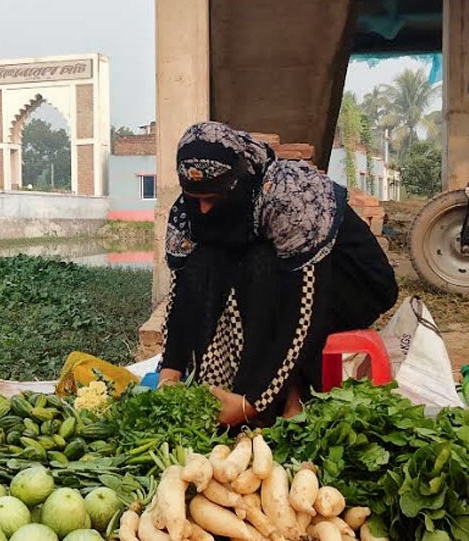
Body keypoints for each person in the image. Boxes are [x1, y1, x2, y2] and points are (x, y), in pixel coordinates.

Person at [158, 121, 399, 427]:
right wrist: (171, 369)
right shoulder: (188, 209)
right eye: (195, 198)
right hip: (292, 276)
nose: (202, 209)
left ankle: (281, 400)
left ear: (236, 180)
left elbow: (303, 313)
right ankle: (234, 386)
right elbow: (181, 290)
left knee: (261, 265)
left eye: (212, 199)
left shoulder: (289, 197)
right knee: (205, 260)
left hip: (354, 284)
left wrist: (255, 401)